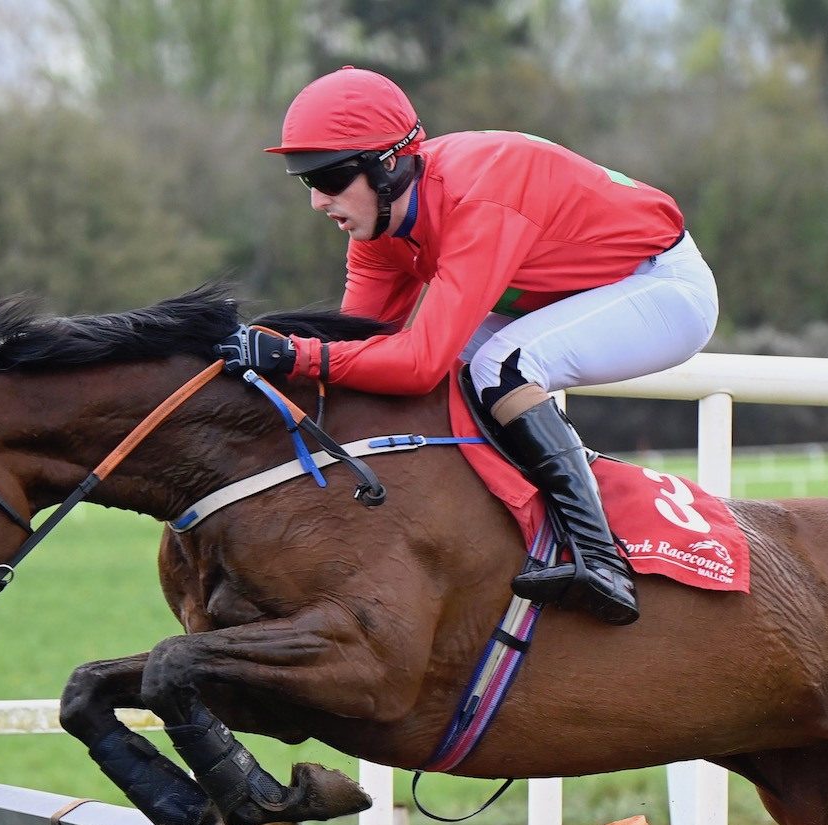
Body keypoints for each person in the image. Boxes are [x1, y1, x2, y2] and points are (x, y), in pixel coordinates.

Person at [216, 66, 719, 626]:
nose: (317, 202)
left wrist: (294, 353)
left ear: (388, 166)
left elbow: (414, 363)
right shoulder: (381, 229)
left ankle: (602, 562)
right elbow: (357, 349)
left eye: (328, 180)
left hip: (659, 287)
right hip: (551, 296)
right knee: (443, 382)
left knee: (498, 368)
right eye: (305, 182)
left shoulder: (479, 197)